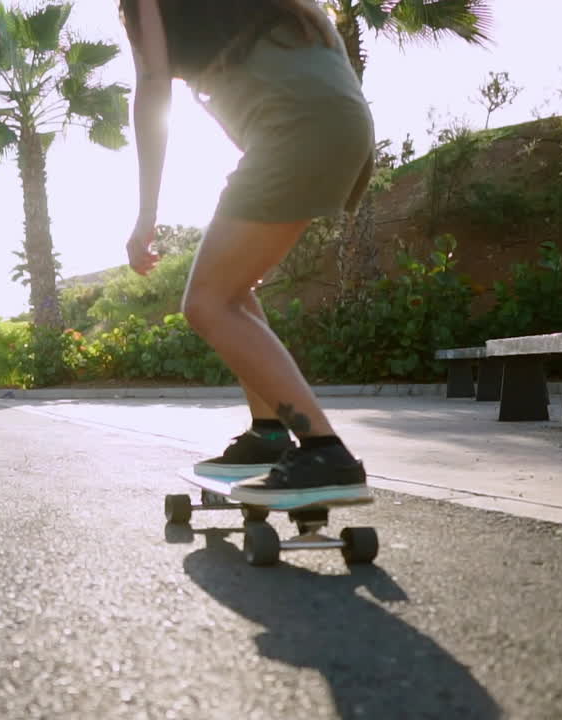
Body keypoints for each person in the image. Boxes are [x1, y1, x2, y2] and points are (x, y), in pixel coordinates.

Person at [119, 0, 375, 505]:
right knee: (233, 290)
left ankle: (325, 451)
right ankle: (269, 433)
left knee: (207, 303)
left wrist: (146, 213)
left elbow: (152, 88)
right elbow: (324, 34)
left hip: (294, 131)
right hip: (345, 124)